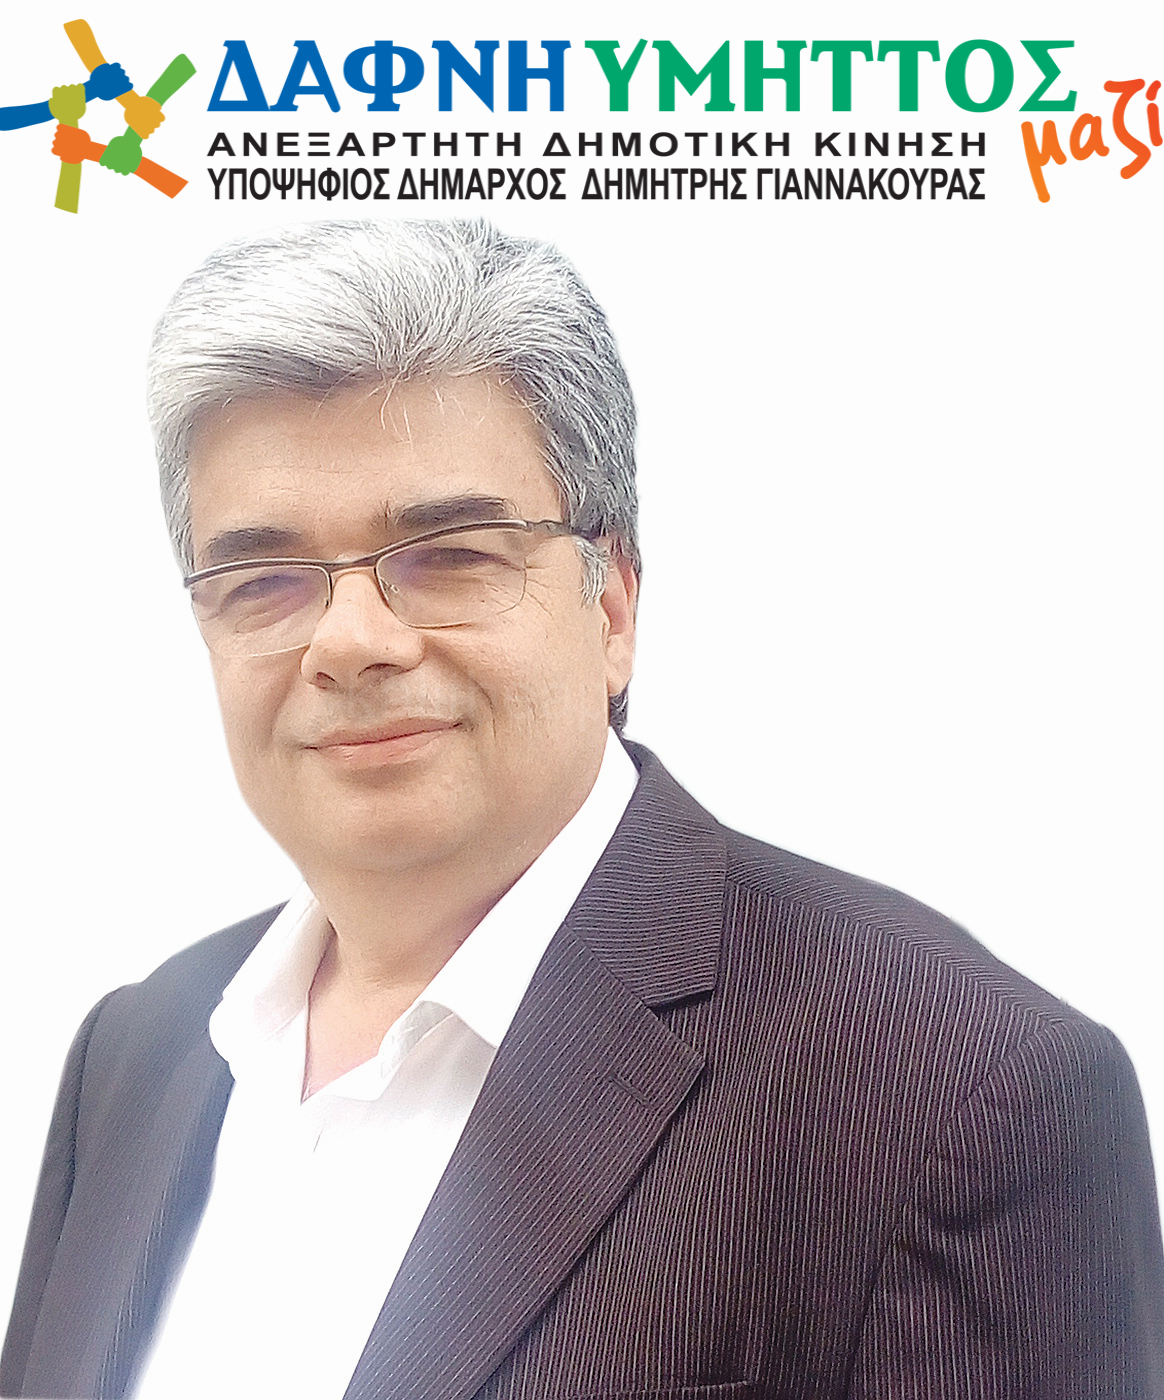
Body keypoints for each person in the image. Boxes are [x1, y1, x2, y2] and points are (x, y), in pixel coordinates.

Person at [2, 219, 1161, 1400]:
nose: (349, 641)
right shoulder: (137, 1056)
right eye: (265, 580)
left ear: (612, 607)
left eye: (449, 553)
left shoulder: (957, 1089)